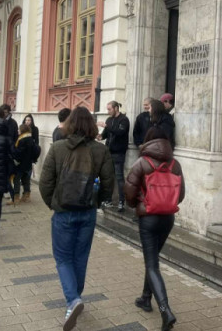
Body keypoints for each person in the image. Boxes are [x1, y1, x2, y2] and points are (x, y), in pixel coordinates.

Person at [39, 107, 114, 331]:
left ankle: (73, 300)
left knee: (63, 258)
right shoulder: (100, 151)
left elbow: (45, 182)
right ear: (92, 125)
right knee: (80, 257)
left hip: (63, 212)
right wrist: (97, 202)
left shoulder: (58, 148)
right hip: (87, 211)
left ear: (70, 124)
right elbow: (109, 182)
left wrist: (54, 203)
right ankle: (75, 299)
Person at [124, 127, 185, 331]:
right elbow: (181, 195)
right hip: (168, 218)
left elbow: (129, 191)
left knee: (152, 264)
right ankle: (145, 298)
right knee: (153, 262)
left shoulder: (142, 163)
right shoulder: (175, 165)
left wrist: (137, 205)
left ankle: (165, 311)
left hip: (148, 219)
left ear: (149, 141)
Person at [97, 101, 130, 211]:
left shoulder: (124, 120)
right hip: (108, 152)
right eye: (107, 109)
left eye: (109, 109)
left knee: (120, 178)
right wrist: (99, 136)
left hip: (119, 153)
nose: (108, 111)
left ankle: (121, 201)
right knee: (107, 177)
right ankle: (108, 200)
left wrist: (106, 126)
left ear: (116, 108)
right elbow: (106, 134)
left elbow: (120, 132)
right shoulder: (109, 120)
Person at [9, 122, 40, 205]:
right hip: (28, 164)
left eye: (19, 129)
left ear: (22, 130)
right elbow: (36, 150)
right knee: (26, 179)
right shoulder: (30, 139)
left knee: (16, 179)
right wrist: (33, 159)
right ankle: (26, 196)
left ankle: (16, 198)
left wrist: (12, 147)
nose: (17, 130)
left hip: (20, 164)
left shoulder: (22, 140)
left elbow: (19, 152)